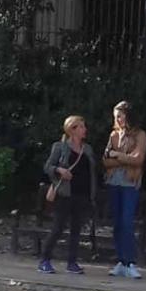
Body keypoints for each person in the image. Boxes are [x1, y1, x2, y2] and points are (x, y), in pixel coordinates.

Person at [39, 116, 97, 274]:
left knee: (76, 230)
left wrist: (92, 194)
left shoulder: (88, 149)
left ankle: (72, 262)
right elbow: (48, 166)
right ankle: (45, 259)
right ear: (72, 129)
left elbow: (91, 172)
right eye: (81, 127)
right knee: (58, 227)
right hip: (65, 193)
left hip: (82, 194)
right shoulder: (60, 147)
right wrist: (59, 170)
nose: (85, 130)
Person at [102, 101, 146, 279]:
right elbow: (105, 160)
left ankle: (130, 261)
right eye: (115, 117)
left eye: (120, 116)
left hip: (130, 183)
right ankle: (121, 260)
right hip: (114, 182)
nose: (117, 120)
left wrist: (118, 156)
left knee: (127, 222)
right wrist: (123, 158)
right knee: (117, 223)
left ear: (128, 116)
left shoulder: (140, 135)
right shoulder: (113, 135)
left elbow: (138, 159)